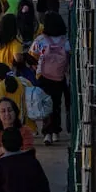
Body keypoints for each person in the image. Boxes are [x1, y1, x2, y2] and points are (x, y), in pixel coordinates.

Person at [30, 12, 71, 146]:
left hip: (43, 76)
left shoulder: (40, 40)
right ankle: (55, 132)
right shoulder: (65, 40)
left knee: (45, 103)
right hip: (60, 77)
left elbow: (33, 55)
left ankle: (47, 132)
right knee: (57, 103)